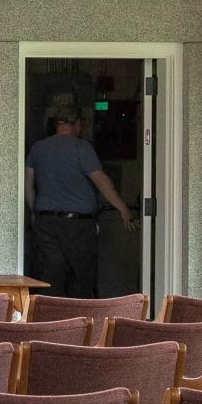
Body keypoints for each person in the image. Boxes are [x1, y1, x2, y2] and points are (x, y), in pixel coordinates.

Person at [23, 100, 135, 301]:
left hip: (46, 224)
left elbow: (27, 185)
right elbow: (101, 181)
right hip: (78, 227)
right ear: (77, 124)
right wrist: (123, 208)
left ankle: (49, 327)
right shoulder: (82, 148)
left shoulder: (38, 148)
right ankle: (80, 328)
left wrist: (36, 213)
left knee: (48, 283)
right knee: (81, 282)